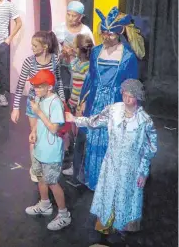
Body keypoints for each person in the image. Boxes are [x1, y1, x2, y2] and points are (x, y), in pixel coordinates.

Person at [66, 79, 157, 242]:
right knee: (108, 195)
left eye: (132, 96)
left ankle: (122, 227)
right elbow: (94, 121)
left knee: (125, 196)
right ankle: (106, 224)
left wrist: (143, 172)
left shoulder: (144, 121)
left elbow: (150, 148)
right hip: (111, 164)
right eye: (125, 95)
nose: (128, 100)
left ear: (138, 97)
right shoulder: (114, 110)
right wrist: (75, 119)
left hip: (131, 167)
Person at [78, 6, 144, 190]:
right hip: (96, 102)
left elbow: (131, 84)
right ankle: (95, 180)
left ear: (119, 33)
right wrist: (83, 100)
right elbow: (90, 77)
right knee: (94, 139)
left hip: (116, 102)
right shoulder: (96, 52)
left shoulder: (127, 57)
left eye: (111, 34)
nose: (107, 37)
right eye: (104, 33)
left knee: (112, 141)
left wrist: (130, 109)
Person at [11, 31, 65, 182]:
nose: (32, 48)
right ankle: (35, 167)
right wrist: (15, 107)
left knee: (50, 134)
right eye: (32, 45)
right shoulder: (29, 62)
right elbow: (21, 84)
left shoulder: (55, 60)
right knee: (34, 135)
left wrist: (62, 100)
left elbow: (58, 81)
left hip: (51, 105)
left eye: (35, 45)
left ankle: (48, 163)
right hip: (34, 104)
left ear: (45, 46)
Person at [24, 70, 71, 231]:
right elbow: (39, 121)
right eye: (35, 85)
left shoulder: (55, 103)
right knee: (41, 177)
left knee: (52, 182)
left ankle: (64, 214)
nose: (35, 88)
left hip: (51, 150)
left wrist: (38, 111)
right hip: (40, 147)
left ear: (49, 87)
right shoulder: (40, 98)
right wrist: (34, 132)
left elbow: (54, 128)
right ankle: (45, 204)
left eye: (39, 86)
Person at [62, 34, 94, 181]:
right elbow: (71, 66)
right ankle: (76, 166)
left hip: (81, 105)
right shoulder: (78, 62)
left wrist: (82, 103)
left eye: (75, 46)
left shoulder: (89, 66)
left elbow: (87, 87)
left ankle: (81, 169)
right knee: (75, 136)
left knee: (82, 138)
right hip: (74, 102)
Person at [54, 1, 95, 101]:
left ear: (80, 17)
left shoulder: (85, 31)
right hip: (61, 65)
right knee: (61, 90)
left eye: (74, 16)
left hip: (79, 70)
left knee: (75, 92)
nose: (70, 18)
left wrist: (75, 52)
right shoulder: (59, 28)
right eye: (68, 14)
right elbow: (53, 47)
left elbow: (91, 50)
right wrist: (61, 51)